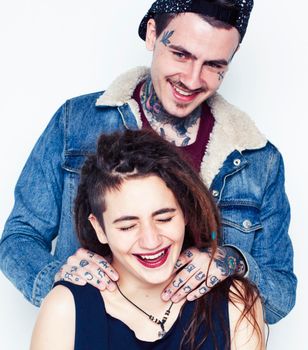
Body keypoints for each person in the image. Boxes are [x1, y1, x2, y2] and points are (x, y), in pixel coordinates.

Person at [0, 0, 296, 325]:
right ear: (152, 34)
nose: (193, 79)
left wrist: (232, 261)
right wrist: (59, 285)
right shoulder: (76, 123)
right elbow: (19, 237)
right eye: (181, 54)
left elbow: (280, 299)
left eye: (214, 66)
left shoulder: (257, 160)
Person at [30, 129, 265, 350]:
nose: (151, 241)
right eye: (128, 226)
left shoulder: (235, 301)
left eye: (164, 219)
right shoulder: (64, 309)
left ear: (184, 212)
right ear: (99, 228)